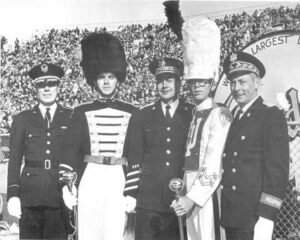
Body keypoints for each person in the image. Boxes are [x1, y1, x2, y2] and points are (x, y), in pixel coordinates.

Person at [60, 32, 138, 240]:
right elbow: (70, 151)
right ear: (94, 80)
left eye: (111, 76)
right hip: (90, 178)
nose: (106, 82)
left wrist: (132, 191)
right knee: (88, 233)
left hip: (118, 180)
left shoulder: (132, 112)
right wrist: (66, 187)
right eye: (101, 77)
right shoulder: (80, 111)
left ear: (118, 79)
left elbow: (136, 154)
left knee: (115, 233)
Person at [171, 16, 232, 240]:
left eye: (202, 81)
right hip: (188, 185)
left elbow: (213, 163)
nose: (196, 86)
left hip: (207, 191)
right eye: (192, 82)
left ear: (212, 82)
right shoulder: (194, 113)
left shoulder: (220, 113)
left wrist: (193, 197)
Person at [220, 51, 290, 240]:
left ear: (257, 83)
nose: (236, 88)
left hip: (254, 216)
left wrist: (267, 215)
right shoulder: (232, 118)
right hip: (231, 214)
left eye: (242, 82)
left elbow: (277, 172)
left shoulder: (270, 116)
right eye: (233, 83)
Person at [126, 57, 194, 240]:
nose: (164, 85)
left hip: (180, 199)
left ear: (178, 83)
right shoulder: (142, 114)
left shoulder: (192, 114)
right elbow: (134, 154)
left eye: (169, 80)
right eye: (160, 80)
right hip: (148, 200)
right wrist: (132, 193)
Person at [7, 63, 72, 239]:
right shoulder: (22, 119)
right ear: (35, 89)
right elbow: (14, 160)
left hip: (59, 194)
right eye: (41, 85)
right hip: (30, 196)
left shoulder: (71, 117)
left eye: (51, 84)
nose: (46, 89)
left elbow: (76, 156)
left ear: (58, 87)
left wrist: (72, 188)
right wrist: (13, 194)